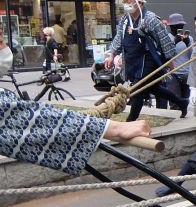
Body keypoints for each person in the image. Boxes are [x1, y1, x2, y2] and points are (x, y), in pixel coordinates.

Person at [0, 36, 150, 175]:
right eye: (0, 40)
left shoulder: (146, 23)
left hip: (143, 66)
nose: (5, 46)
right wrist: (115, 129)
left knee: (156, 91)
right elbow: (22, 119)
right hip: (136, 68)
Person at [104, 0, 188, 121]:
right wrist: (111, 55)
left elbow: (164, 41)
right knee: (154, 88)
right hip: (132, 60)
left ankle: (131, 120)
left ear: (140, 3)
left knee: (138, 88)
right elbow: (118, 38)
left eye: (129, 1)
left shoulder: (150, 19)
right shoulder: (124, 20)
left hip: (148, 60)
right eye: (124, 1)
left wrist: (170, 62)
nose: (125, 4)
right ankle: (182, 103)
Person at [166, 13, 192, 102]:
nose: (179, 28)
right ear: (171, 27)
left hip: (187, 73)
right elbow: (167, 56)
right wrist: (174, 43)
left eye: (181, 26)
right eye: (176, 26)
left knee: (186, 101)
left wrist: (188, 44)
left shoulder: (189, 38)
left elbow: (192, 56)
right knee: (174, 101)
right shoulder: (167, 38)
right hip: (173, 73)